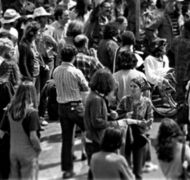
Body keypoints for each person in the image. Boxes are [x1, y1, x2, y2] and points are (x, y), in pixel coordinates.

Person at [84, 69, 142, 179]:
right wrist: (116, 123)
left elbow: (96, 115)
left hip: (91, 139)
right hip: (96, 140)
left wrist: (110, 114)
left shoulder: (94, 96)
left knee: (94, 172)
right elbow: (97, 122)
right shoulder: (97, 99)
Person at [53, 45, 89, 179]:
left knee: (67, 138)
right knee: (89, 128)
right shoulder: (76, 72)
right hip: (76, 105)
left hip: (62, 107)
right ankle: (86, 152)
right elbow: (85, 87)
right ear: (74, 57)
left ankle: (67, 169)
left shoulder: (56, 71)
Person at [0, 81, 42, 180]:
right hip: (28, 153)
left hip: (13, 151)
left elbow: (0, 133)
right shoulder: (32, 113)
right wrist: (38, 148)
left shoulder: (9, 110)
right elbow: (33, 137)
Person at [116, 76, 157, 177]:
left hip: (140, 135)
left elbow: (150, 119)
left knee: (138, 170)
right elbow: (117, 115)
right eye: (131, 86)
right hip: (126, 136)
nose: (132, 88)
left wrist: (145, 123)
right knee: (126, 167)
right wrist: (125, 115)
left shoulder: (147, 102)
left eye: (135, 86)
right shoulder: (125, 100)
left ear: (141, 88)